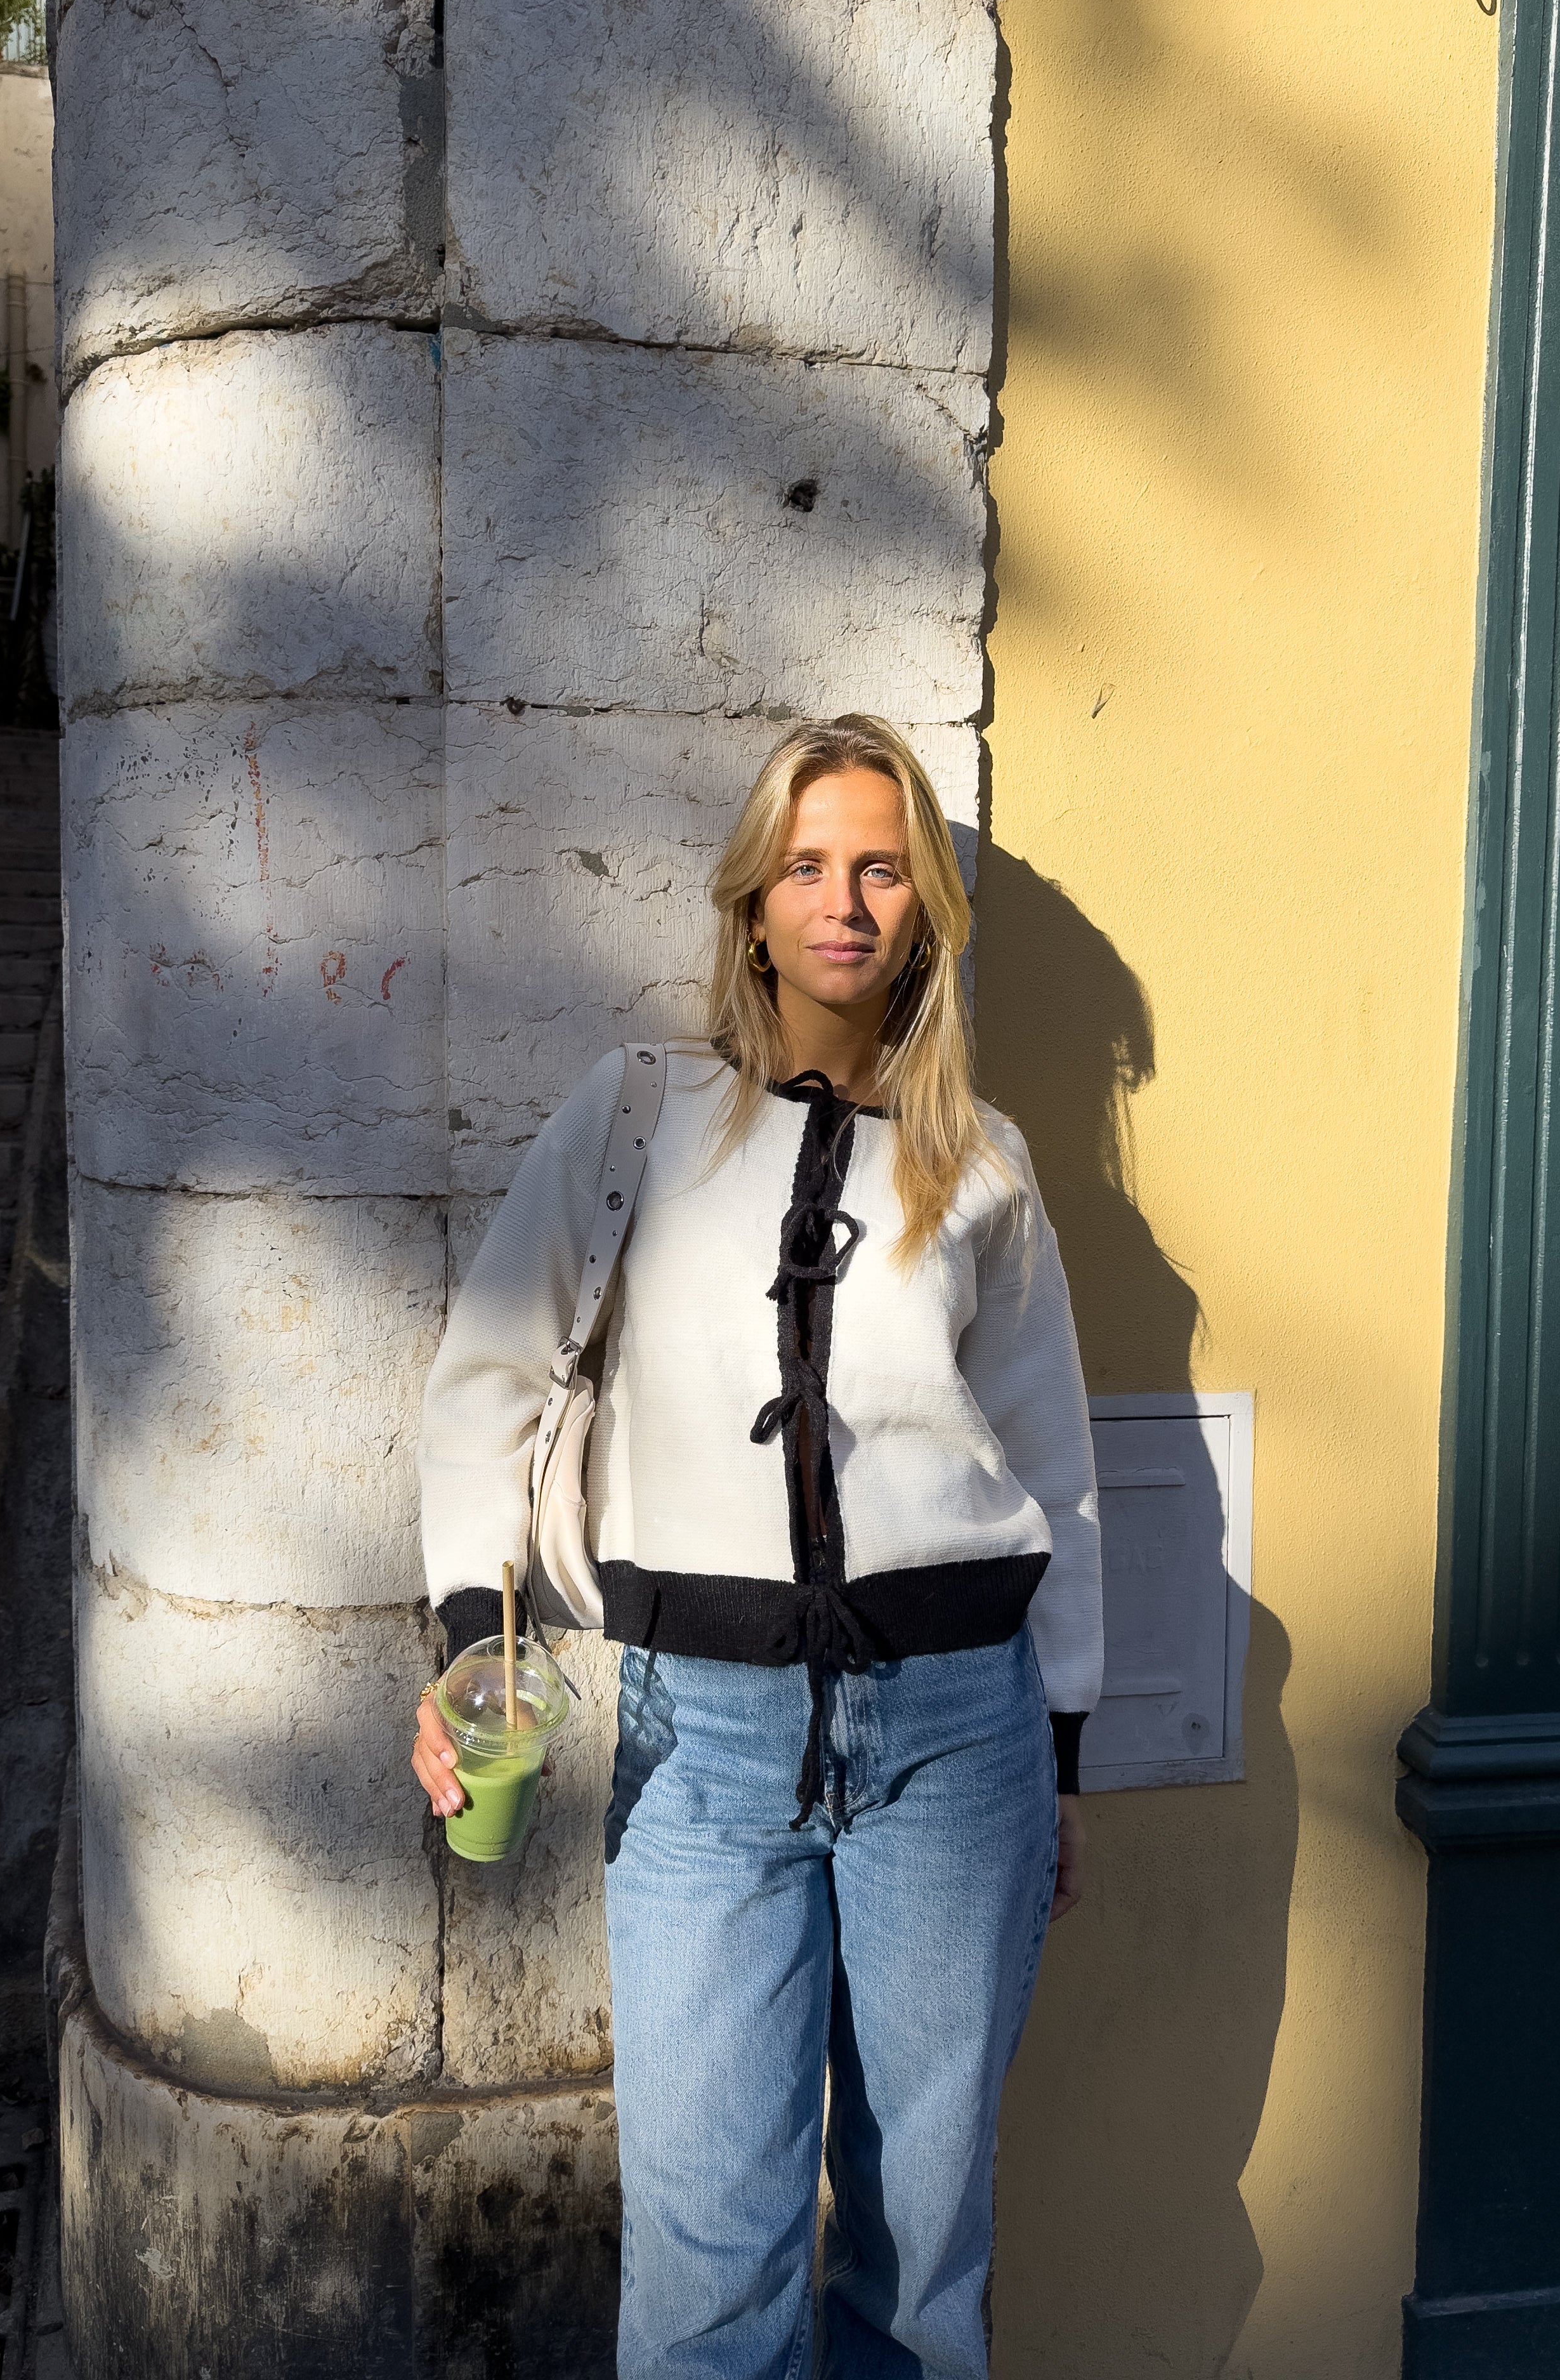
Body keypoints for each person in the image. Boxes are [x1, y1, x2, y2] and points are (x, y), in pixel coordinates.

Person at [413, 712, 1103, 2379]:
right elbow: (493, 1373)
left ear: (923, 906)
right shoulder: (640, 1114)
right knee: (708, 2273)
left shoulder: (983, 1163)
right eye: (806, 867)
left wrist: (1063, 1749)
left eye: (878, 867)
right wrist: (464, 1639)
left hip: (959, 1736)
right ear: (755, 905)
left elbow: (1055, 1472)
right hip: (698, 1749)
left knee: (918, 2254)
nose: (842, 901)